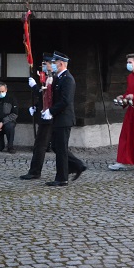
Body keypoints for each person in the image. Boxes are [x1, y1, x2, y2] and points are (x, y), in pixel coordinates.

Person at [42, 52, 87, 186]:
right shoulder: (59, 77)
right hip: (58, 118)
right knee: (56, 146)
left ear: (61, 63)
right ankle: (77, 165)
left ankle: (62, 178)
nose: (53, 65)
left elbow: (65, 100)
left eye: (54, 63)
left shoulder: (67, 79)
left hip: (64, 118)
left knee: (60, 148)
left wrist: (51, 110)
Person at [20, 52, 57, 180]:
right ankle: (77, 165)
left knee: (41, 145)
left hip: (48, 116)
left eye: (45, 64)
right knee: (55, 146)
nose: (43, 66)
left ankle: (35, 172)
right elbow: (43, 98)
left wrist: (34, 87)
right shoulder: (47, 76)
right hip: (44, 114)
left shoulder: (52, 77)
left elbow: (47, 95)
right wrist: (36, 106)